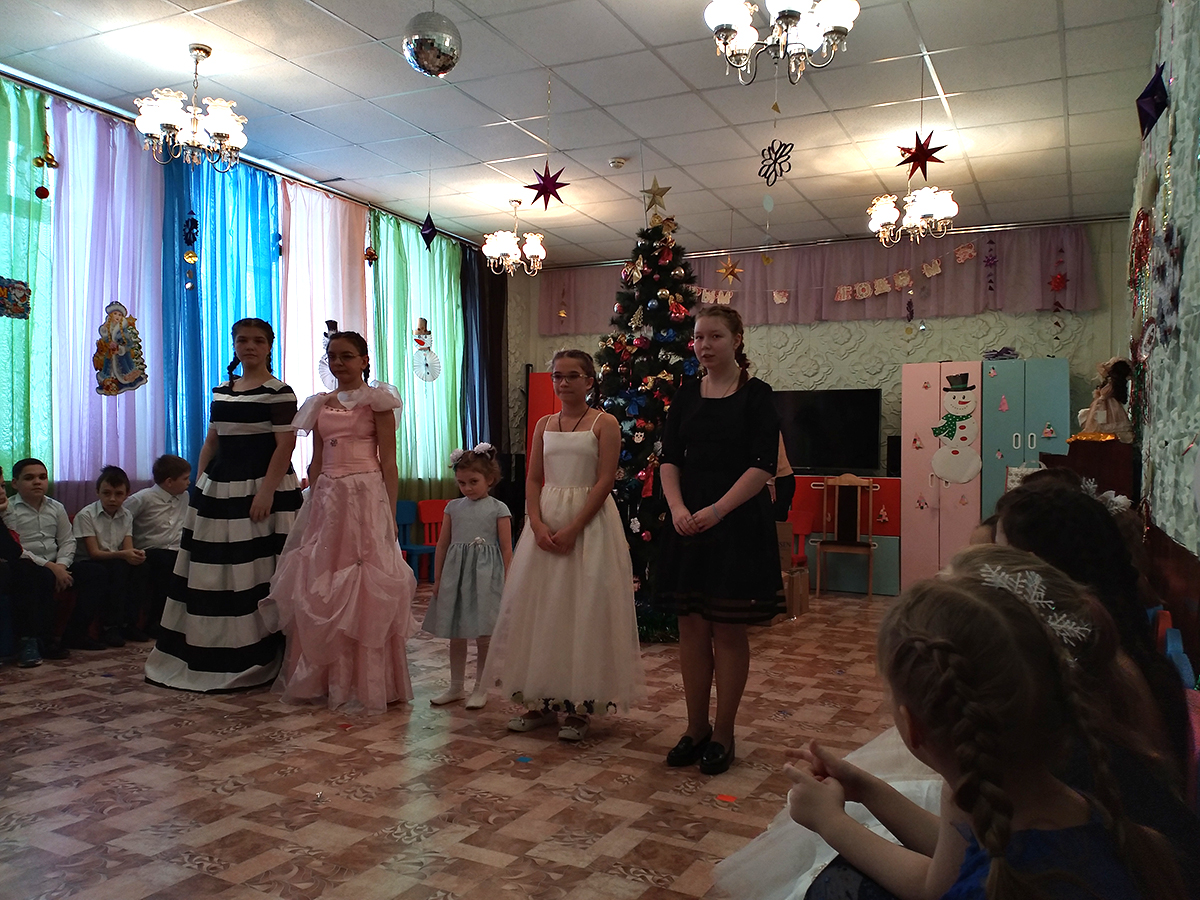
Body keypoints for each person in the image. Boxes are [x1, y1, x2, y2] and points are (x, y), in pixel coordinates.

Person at [782, 548, 1185, 900]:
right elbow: (942, 875)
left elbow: (940, 883)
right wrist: (865, 788)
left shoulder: (1000, 873)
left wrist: (829, 821)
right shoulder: (1067, 805)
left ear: (912, 725)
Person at [485, 349, 644, 742]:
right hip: (546, 519)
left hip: (589, 523)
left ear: (589, 381)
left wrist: (574, 527)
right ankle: (539, 700)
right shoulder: (544, 424)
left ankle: (579, 706)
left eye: (573, 376)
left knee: (582, 608)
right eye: (558, 376)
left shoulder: (605, 423)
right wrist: (536, 523)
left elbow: (605, 479)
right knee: (543, 608)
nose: (564, 382)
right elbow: (533, 478)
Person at [259, 331, 417, 714]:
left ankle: (370, 681)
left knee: (364, 577)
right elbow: (315, 461)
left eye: (346, 356)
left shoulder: (378, 402)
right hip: (328, 499)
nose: (339, 363)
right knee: (321, 577)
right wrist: (312, 499)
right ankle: (323, 678)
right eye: (333, 356)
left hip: (365, 496)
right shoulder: (319, 404)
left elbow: (389, 461)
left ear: (364, 360)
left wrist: (389, 512)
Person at [654, 306, 784, 775]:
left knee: (727, 629)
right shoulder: (686, 394)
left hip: (736, 523)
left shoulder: (758, 395)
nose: (704, 346)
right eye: (698, 337)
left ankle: (724, 732)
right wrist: (678, 509)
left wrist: (716, 511)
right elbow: (670, 459)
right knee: (691, 628)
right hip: (688, 522)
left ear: (737, 339)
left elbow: (762, 465)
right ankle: (695, 728)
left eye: (715, 337)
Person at [995, 483, 1192, 789]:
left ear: (1033, 570)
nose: (991, 572)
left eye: (998, 556)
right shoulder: (1116, 643)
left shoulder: (1093, 672)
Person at [145, 318, 302, 693]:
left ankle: (263, 648)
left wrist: (265, 492)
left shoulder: (280, 392)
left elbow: (285, 446)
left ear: (269, 346)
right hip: (220, 487)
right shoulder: (221, 391)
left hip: (263, 487)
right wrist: (200, 482)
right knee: (215, 569)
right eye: (243, 340)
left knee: (258, 567)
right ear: (235, 345)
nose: (250, 346)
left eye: (258, 341)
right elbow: (212, 441)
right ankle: (215, 648)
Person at [423, 443, 512, 709]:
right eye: (462, 483)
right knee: (457, 632)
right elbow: (442, 545)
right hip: (457, 575)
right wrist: (438, 578)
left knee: (484, 634)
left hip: (486, 576)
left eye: (473, 482)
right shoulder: (453, 507)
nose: (467, 488)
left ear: (490, 479)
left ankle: (480, 688)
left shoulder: (499, 509)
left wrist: (509, 580)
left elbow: (506, 548)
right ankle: (456, 687)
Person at [1, 458, 75, 659]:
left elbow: (68, 541)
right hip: (28, 563)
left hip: (58, 563)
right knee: (41, 576)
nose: (37, 482)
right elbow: (16, 548)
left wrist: (61, 566)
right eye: (29, 478)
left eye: (42, 477)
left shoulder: (56, 507)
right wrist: (51, 567)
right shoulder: (8, 509)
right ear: (15, 483)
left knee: (95, 573)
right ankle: (42, 640)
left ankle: (75, 635)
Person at [72, 465, 149, 647]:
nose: (112, 499)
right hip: (88, 562)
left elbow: (128, 548)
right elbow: (94, 553)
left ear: (127, 494)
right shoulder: (86, 515)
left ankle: (130, 624)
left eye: (118, 494)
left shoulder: (126, 515)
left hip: (115, 559)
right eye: (106, 493)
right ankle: (110, 627)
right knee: (117, 568)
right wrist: (124, 555)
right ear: (97, 492)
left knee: (142, 567)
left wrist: (135, 555)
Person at [125, 454, 191, 636]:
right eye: (185, 479)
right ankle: (154, 622)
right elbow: (121, 520)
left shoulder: (184, 497)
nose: (189, 483)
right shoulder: (142, 498)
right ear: (169, 482)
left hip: (176, 550)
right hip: (150, 551)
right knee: (166, 562)